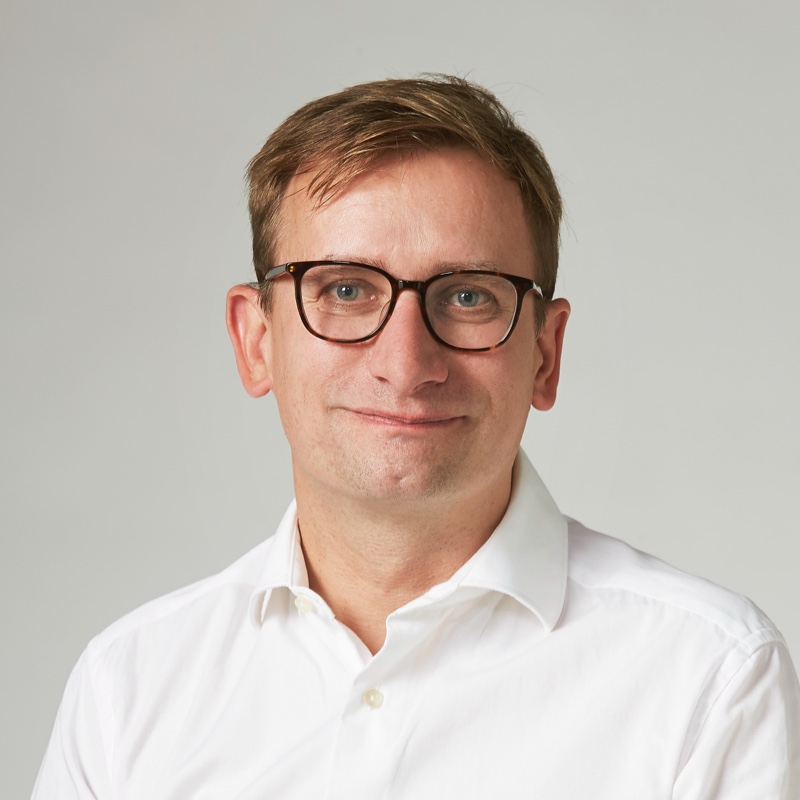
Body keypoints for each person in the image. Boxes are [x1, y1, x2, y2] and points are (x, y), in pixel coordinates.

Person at [34, 75, 799, 799]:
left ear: (545, 353)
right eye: (344, 289)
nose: (405, 364)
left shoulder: (709, 677)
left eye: (467, 296)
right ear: (255, 340)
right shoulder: (127, 689)